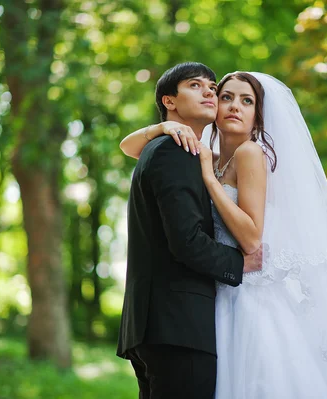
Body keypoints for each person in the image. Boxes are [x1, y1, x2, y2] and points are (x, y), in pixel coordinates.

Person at [120, 71, 327, 398]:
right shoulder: (209, 155)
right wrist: (161, 126)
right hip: (216, 290)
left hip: (246, 291)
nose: (234, 106)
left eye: (247, 101)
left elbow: (252, 239)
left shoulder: (248, 153)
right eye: (226, 97)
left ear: (258, 115)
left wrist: (210, 179)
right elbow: (129, 147)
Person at [116, 62, 263, 399]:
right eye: (196, 86)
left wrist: (156, 129)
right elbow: (186, 241)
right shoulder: (176, 151)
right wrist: (240, 263)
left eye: (212, 87)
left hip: (158, 325)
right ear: (170, 100)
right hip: (177, 326)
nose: (209, 92)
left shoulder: (176, 150)